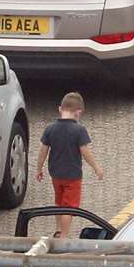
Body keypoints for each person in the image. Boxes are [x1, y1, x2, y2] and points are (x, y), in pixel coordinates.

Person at [36, 92, 104, 238]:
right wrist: (96, 167)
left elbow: (43, 150)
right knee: (69, 208)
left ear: (60, 109)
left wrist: (39, 168)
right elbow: (84, 151)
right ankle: (64, 236)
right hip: (72, 176)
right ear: (78, 113)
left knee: (59, 203)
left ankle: (58, 230)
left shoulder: (50, 128)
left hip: (55, 174)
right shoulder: (79, 130)